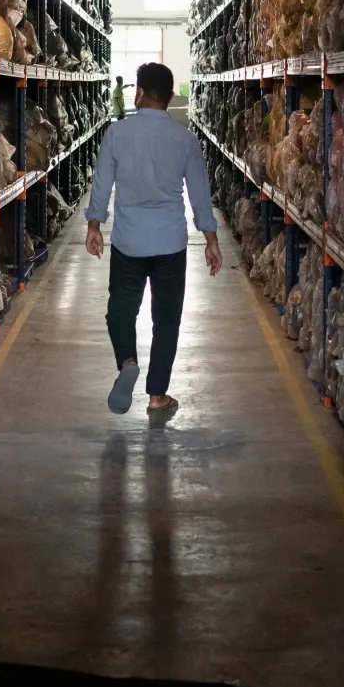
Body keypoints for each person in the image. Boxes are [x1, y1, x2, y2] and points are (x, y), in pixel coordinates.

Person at [85, 62, 220, 427]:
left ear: (139, 92)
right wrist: (210, 239)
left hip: (129, 242)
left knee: (121, 309)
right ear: (172, 97)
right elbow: (200, 196)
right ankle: (157, 396)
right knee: (166, 320)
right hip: (170, 244)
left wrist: (94, 225)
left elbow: (101, 184)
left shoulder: (118, 134)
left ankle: (128, 362)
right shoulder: (185, 140)